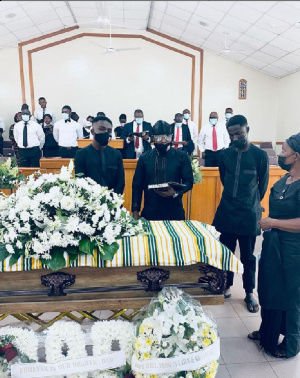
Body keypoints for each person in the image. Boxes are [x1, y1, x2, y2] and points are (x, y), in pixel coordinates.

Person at [248, 133, 300, 359]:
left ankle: (290, 344)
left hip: (292, 250)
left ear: (296, 156)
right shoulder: (284, 179)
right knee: (269, 289)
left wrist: (273, 222)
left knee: (290, 296)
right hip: (273, 246)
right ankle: (267, 331)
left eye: (284, 151)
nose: (280, 155)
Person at [212, 115, 269, 312]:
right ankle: (225, 286)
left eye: (239, 133)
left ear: (248, 130)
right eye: (232, 135)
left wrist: (250, 202)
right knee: (225, 253)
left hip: (248, 215)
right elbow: (223, 178)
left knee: (247, 256)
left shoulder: (260, 156)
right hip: (226, 211)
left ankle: (249, 292)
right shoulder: (225, 155)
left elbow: (262, 186)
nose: (236, 138)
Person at [132, 120, 193, 221]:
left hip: (175, 212)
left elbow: (189, 181)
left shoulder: (181, 156)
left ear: (171, 137)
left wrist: (176, 192)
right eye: (159, 137)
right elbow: (137, 185)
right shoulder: (144, 158)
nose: (164, 141)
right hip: (150, 212)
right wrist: (135, 211)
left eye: (167, 137)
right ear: (154, 138)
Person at [75, 116, 125, 195]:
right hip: (90, 202)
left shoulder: (116, 154)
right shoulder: (81, 154)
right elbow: (80, 182)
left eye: (109, 131)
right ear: (92, 131)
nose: (105, 133)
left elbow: (120, 183)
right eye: (101, 129)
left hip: (112, 202)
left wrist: (112, 201)